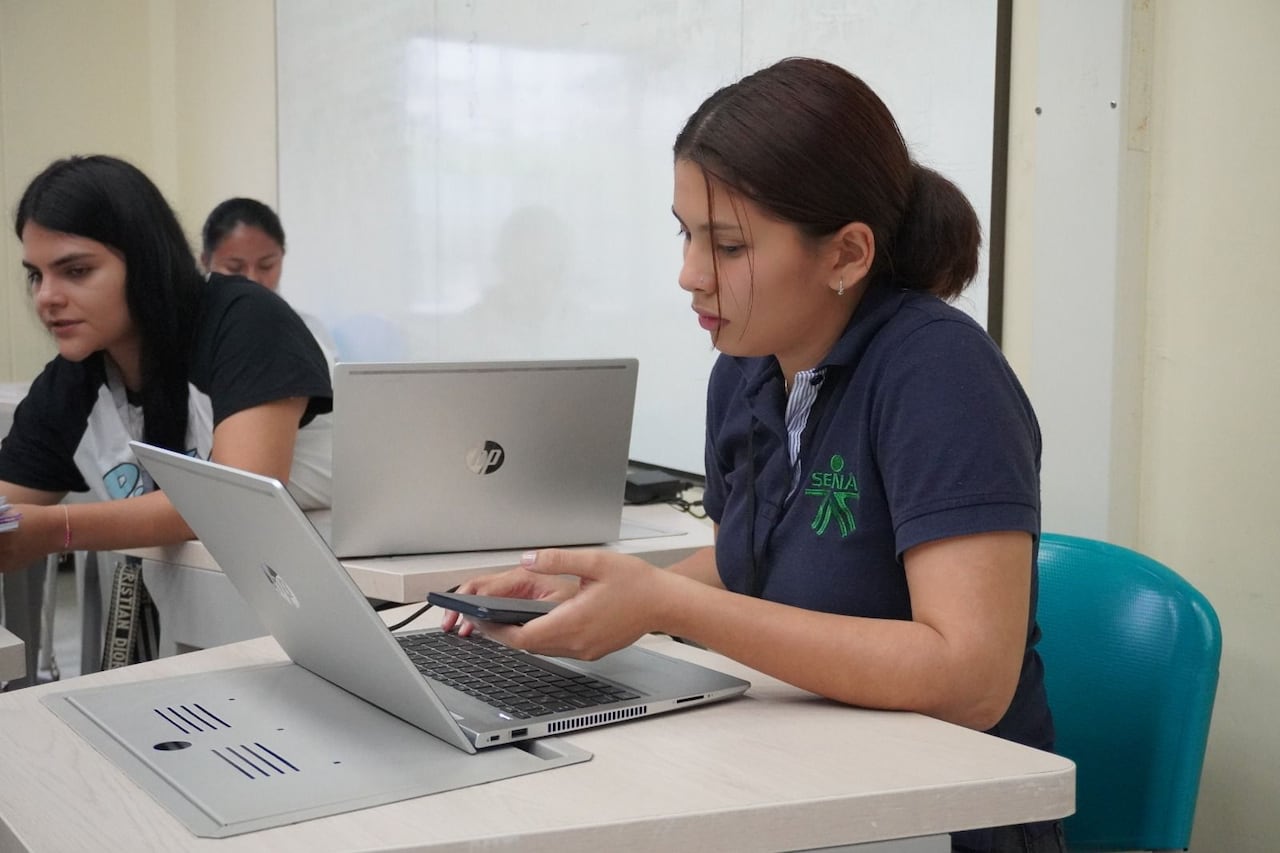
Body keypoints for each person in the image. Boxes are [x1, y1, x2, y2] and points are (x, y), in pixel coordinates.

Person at [441, 59, 1061, 853]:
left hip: (936, 816)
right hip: (797, 775)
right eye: (686, 232)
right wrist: (586, 588)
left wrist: (666, 607)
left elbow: (971, 679)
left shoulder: (940, 373)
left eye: (728, 245)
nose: (690, 275)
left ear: (846, 254)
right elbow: (753, 565)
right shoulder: (744, 370)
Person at [0, 155, 332, 575]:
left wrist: (58, 529)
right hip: (206, 603)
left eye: (76, 270)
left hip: (359, 595)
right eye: (36, 276)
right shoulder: (75, 376)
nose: (46, 297)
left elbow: (236, 501)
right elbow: (8, 499)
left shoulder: (246, 320)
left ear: (144, 262)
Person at [200, 197, 338, 365]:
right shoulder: (193, 336)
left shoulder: (310, 331)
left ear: (281, 257)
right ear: (206, 262)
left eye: (266, 266)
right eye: (234, 268)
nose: (252, 279)